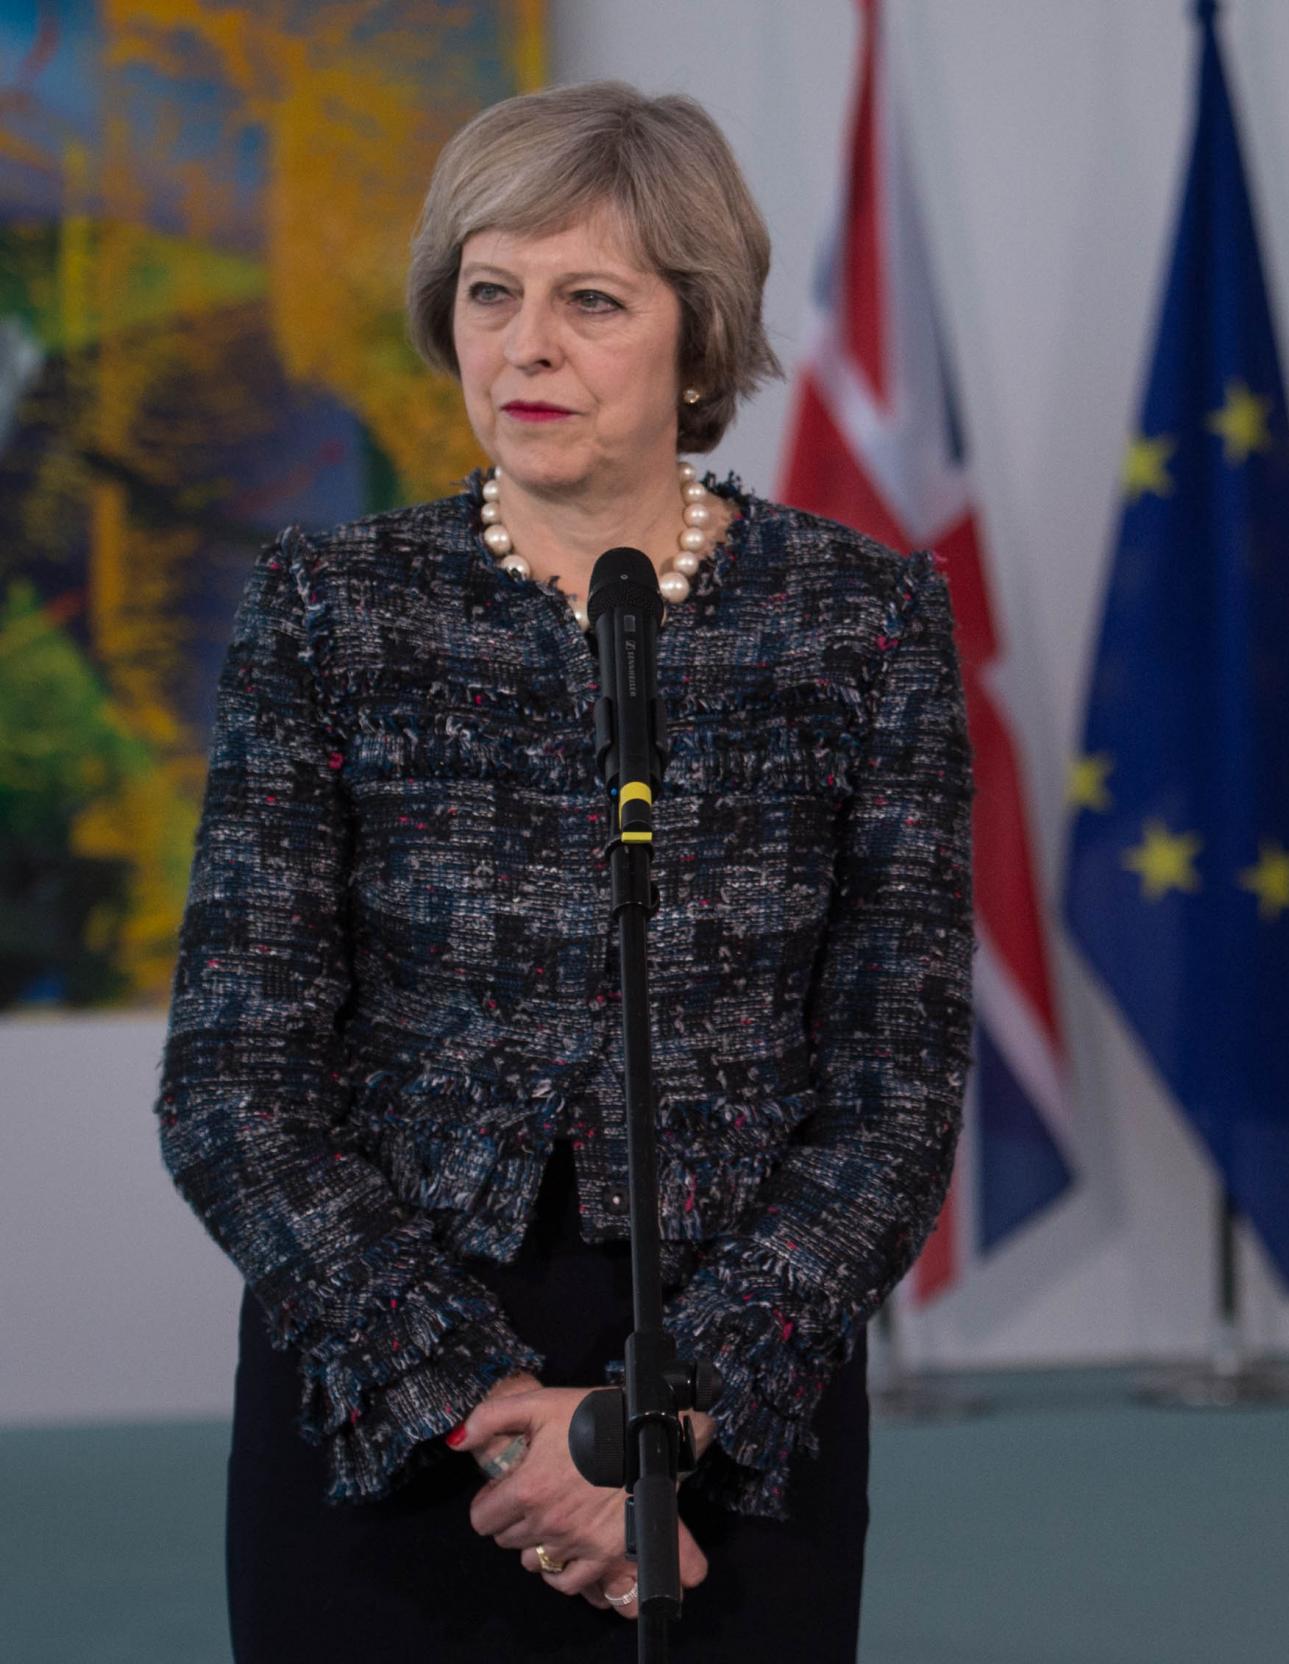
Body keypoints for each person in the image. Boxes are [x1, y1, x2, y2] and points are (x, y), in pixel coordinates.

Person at [157, 81, 971, 1661]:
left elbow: (899, 1088)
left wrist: (671, 1423)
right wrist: (490, 1414)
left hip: (739, 1377)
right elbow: (232, 1083)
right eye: (489, 292)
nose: (522, 347)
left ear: (698, 329)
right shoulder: (334, 607)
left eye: (590, 300)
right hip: (387, 1379)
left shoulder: (860, 624)